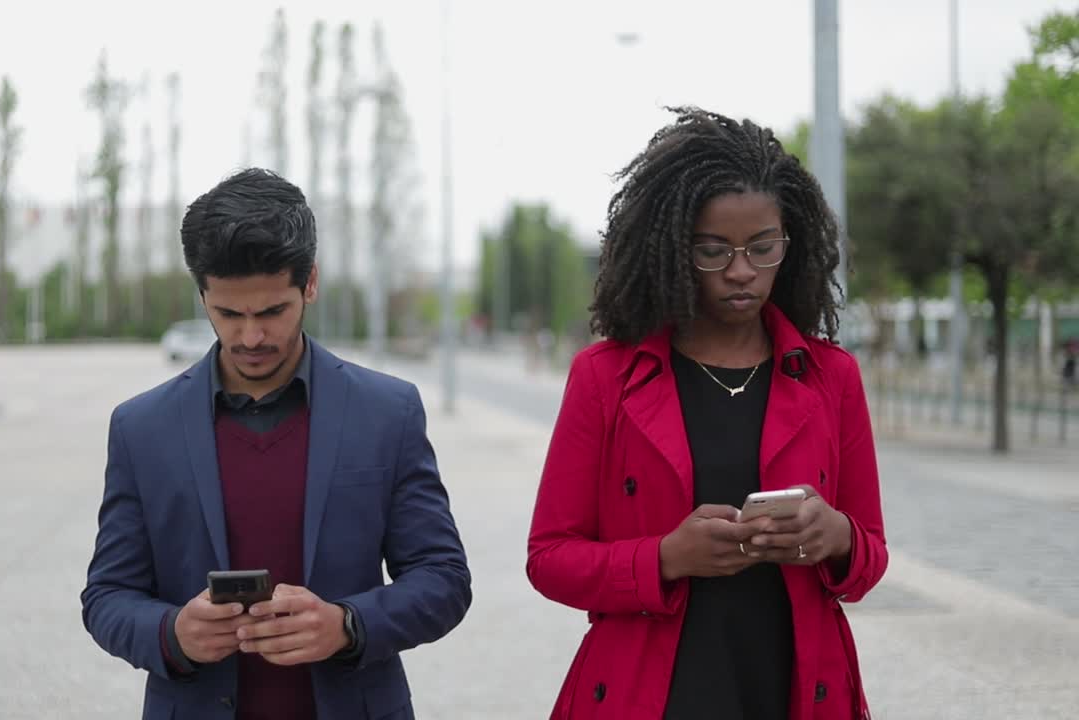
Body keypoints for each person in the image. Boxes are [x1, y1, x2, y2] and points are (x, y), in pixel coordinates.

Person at [526, 108, 887, 719]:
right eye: (713, 251)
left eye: (762, 247)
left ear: (788, 244)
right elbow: (549, 558)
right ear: (669, 248)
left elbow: (870, 554)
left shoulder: (833, 377)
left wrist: (838, 537)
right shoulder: (604, 376)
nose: (742, 271)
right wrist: (665, 557)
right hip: (647, 689)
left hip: (795, 686)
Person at [82, 168, 472, 720]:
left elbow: (444, 580)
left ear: (309, 283)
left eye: (271, 311)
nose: (251, 336)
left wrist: (347, 626)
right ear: (202, 295)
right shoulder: (141, 428)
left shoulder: (389, 412)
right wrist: (172, 634)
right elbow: (106, 597)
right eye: (228, 314)